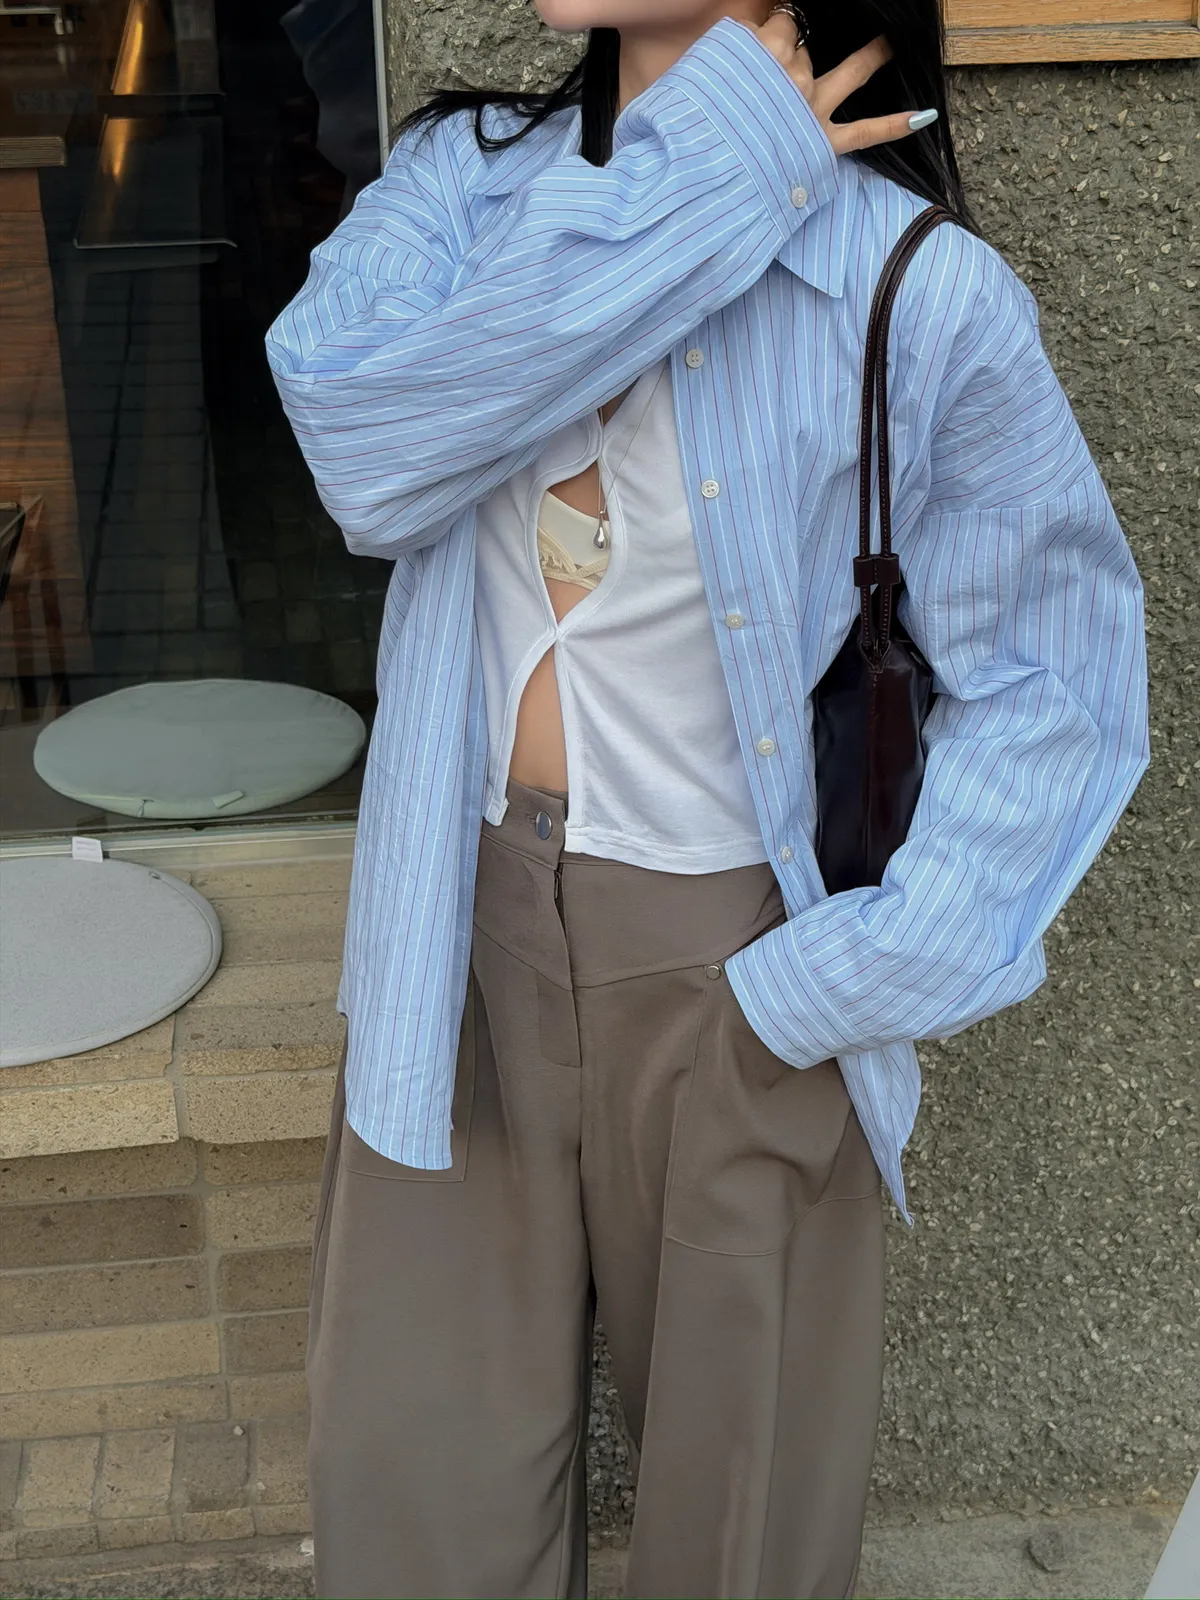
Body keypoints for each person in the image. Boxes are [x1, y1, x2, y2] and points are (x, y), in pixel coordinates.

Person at [265, 1, 1150, 1595]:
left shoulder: (912, 288)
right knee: (416, 1517)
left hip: (735, 978)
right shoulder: (464, 183)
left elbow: (1059, 686)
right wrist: (711, 183)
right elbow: (362, 450)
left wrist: (836, 984)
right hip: (455, 950)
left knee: (740, 1543)